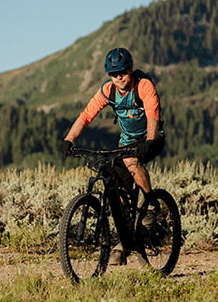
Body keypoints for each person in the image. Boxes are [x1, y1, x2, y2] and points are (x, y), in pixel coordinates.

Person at [60, 47, 165, 265]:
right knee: (115, 187)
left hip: (151, 138)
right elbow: (86, 115)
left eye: (122, 73)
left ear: (130, 70)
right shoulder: (108, 91)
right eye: (113, 74)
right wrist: (69, 140)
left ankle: (151, 204)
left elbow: (153, 114)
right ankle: (126, 239)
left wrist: (150, 141)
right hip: (126, 142)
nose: (118, 78)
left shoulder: (143, 85)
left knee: (131, 161)